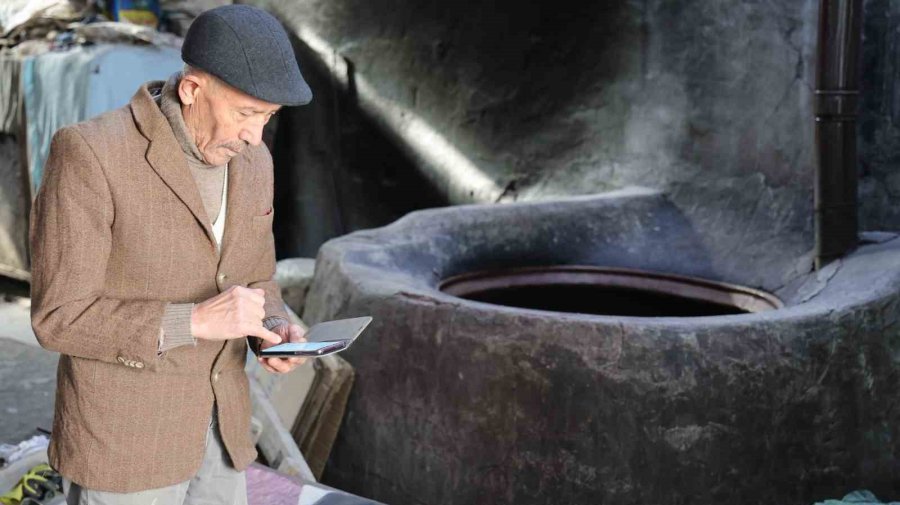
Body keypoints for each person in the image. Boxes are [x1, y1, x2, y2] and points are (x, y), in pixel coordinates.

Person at [28, 5, 313, 504]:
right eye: (246, 113)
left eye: (269, 118)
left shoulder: (255, 161)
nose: (255, 136)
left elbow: (256, 277)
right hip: (124, 447)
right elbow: (58, 317)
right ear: (192, 90)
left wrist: (276, 329)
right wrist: (194, 321)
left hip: (222, 434)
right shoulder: (90, 155)